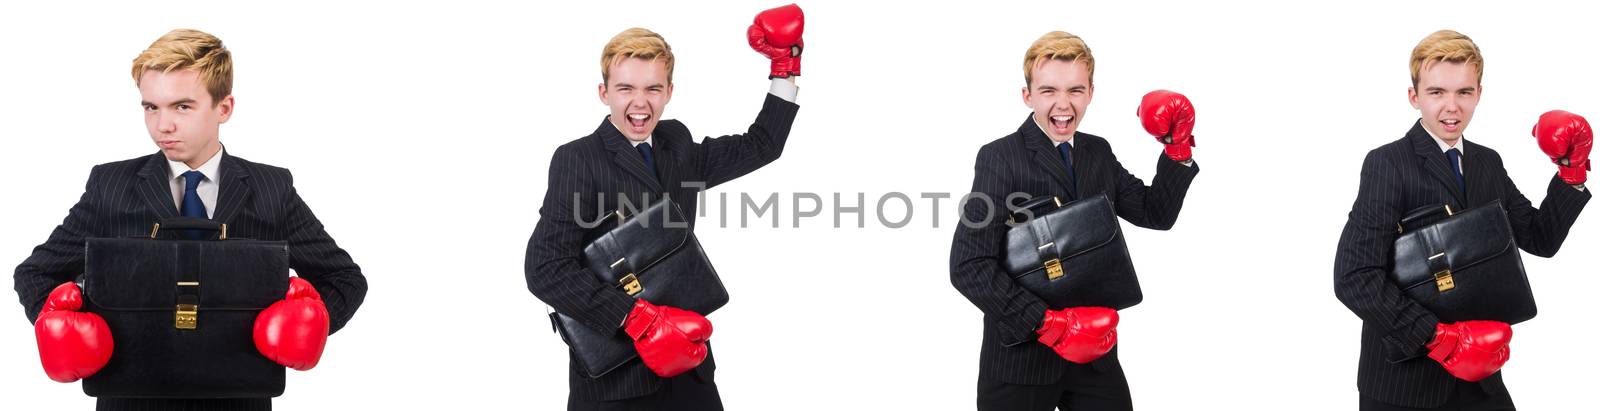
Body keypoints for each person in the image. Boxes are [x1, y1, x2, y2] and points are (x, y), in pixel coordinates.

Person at [14, 28, 368, 411]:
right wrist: (60, 331)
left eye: (182, 106)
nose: (162, 125)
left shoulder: (270, 188)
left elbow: (344, 278)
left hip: (239, 400)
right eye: (151, 107)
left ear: (224, 108)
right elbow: (36, 273)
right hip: (130, 400)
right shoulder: (110, 185)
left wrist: (312, 326)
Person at [523, 5, 804, 410]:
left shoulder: (676, 145)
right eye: (626, 89)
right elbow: (545, 267)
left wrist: (785, 65)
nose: (640, 103)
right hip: (617, 383)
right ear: (604, 93)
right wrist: (636, 318)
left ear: (670, 91)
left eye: (653, 88)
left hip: (690, 371)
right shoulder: (578, 159)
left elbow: (761, 145)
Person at [1332, 29, 1592, 411]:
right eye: (1437, 92)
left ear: (1479, 94)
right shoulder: (1387, 164)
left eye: (1464, 92)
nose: (1451, 107)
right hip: (1403, 384)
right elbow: (1354, 276)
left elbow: (1540, 238)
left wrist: (1573, 173)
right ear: (1414, 96)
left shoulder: (1488, 162)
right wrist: (1438, 338)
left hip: (1481, 382)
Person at [948, 31, 1201, 411]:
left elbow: (1156, 214)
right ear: (1027, 95)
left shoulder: (1097, 152)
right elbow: (968, 265)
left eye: (1075, 90)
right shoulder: (999, 157)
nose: (1063, 104)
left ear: (1091, 93)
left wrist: (1177, 149)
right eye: (1048, 90)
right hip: (1022, 358)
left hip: (1094, 358)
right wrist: (1048, 324)